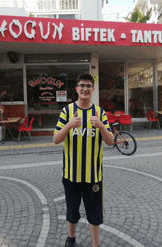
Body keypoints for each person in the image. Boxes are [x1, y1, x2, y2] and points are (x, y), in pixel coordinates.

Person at [53, 73, 114, 247]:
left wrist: (102, 126)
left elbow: (110, 142)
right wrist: (68, 125)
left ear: (93, 89)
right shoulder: (67, 111)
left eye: (88, 85)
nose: (85, 88)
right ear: (77, 89)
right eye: (82, 85)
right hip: (71, 175)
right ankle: (71, 239)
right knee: (72, 211)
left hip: (93, 175)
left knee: (95, 214)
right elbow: (56, 139)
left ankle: (95, 245)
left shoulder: (100, 113)